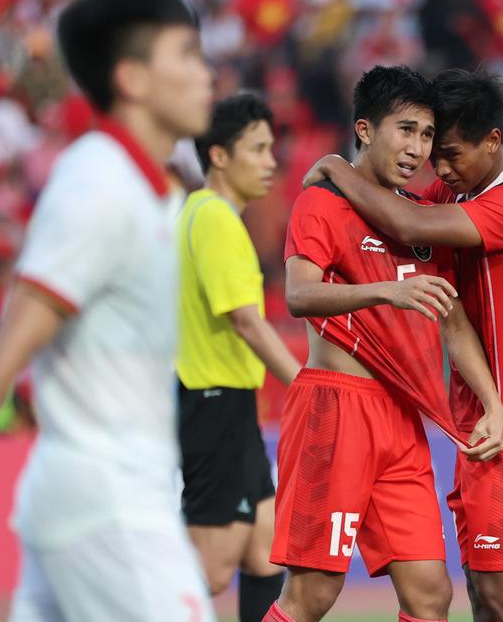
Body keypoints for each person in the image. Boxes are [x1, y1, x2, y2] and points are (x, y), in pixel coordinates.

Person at [0, 0, 217, 622]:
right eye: (187, 55)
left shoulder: (155, 191)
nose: (208, 75)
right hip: (108, 504)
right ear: (132, 79)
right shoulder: (99, 186)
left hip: (98, 496)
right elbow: (11, 345)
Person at [306, 68, 503, 622]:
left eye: (451, 154)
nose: (442, 170)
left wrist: (335, 166)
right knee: (481, 595)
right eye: (436, 155)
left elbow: (405, 222)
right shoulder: (459, 190)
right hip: (480, 419)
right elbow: (390, 205)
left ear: (493, 141)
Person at [265, 65, 503, 622]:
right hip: (335, 409)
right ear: (366, 129)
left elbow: (452, 321)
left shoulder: (421, 220)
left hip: (401, 418)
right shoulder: (321, 203)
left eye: (427, 134)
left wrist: (491, 402)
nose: (417, 148)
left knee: (430, 596)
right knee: (311, 595)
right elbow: (299, 295)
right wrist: (386, 293)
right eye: (406, 130)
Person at [176, 93, 301, 620]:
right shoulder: (215, 218)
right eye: (257, 148)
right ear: (219, 156)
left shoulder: (202, 213)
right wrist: (306, 385)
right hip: (214, 401)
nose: (271, 161)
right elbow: (246, 321)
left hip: (228, 404)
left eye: (271, 148)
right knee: (208, 572)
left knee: (265, 549)